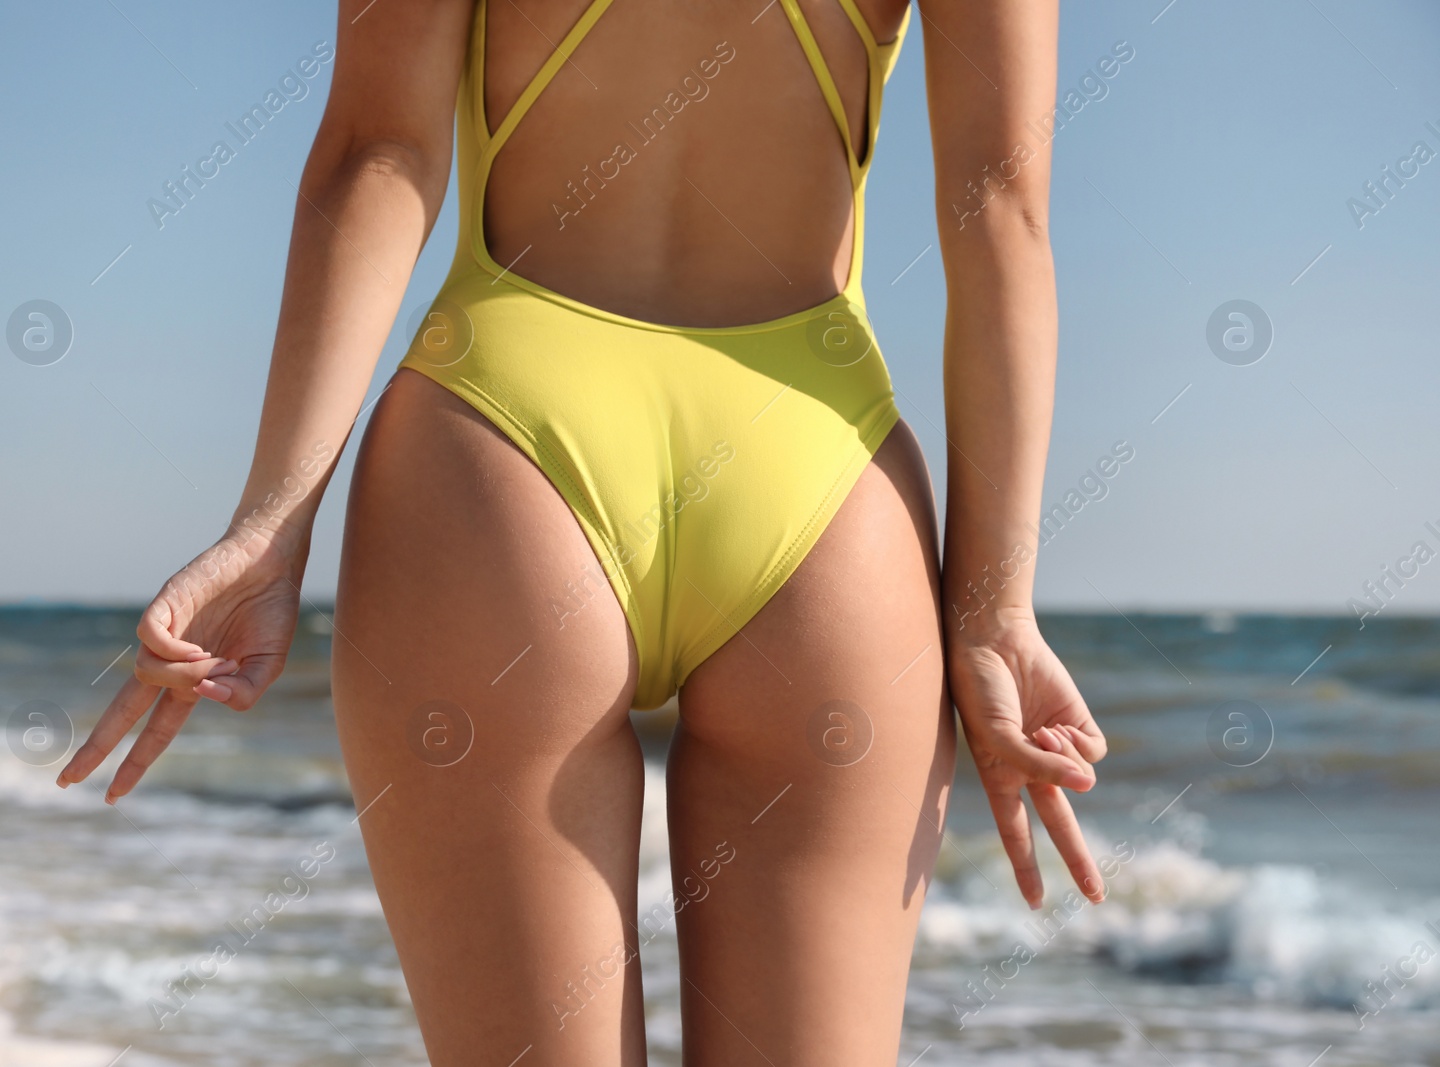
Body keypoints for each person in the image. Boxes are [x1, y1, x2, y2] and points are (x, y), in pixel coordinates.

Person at [57, 0, 1108, 1061]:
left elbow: (378, 148)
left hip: (501, 451)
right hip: (821, 479)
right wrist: (994, 604)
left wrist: (272, 519)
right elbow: (1001, 209)